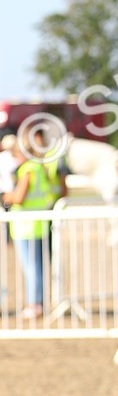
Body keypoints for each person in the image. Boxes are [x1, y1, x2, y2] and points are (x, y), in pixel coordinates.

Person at [2, 127, 67, 319]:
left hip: (25, 225)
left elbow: (19, 197)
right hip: (38, 224)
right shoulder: (40, 168)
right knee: (37, 267)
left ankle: (34, 304)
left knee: (31, 267)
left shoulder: (28, 169)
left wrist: (7, 198)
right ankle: (38, 303)